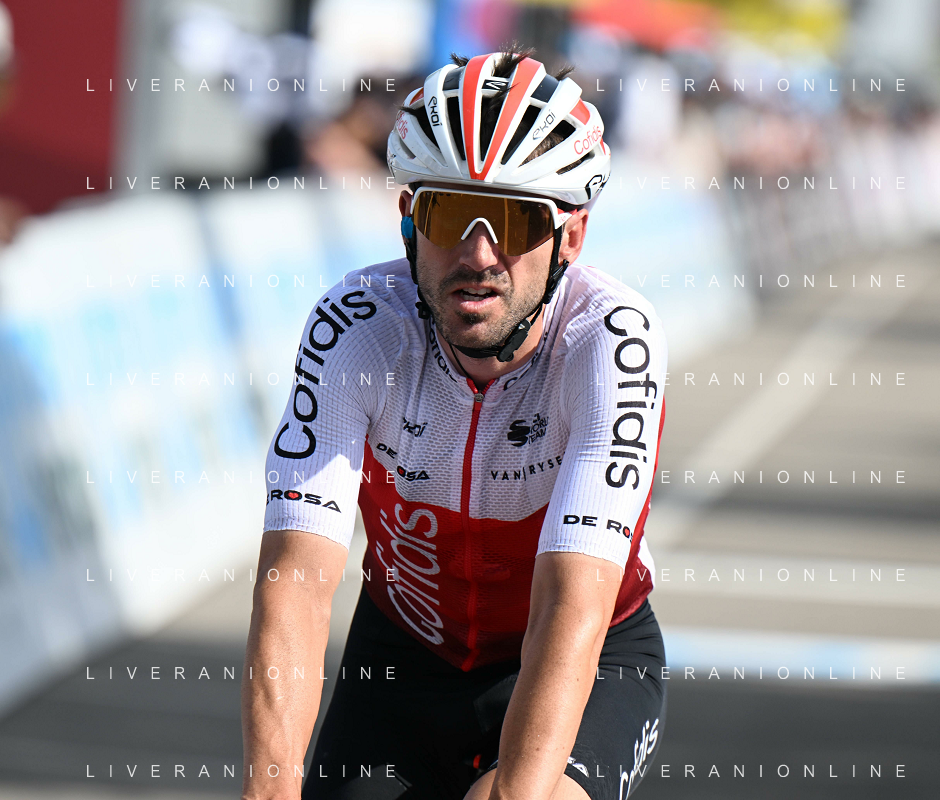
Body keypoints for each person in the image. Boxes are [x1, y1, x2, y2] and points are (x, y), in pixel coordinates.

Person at [242, 45, 668, 800]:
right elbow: (296, 581)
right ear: (410, 221)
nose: (478, 254)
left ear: (570, 237)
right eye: (447, 213)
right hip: (404, 654)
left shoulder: (610, 343)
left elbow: (571, 598)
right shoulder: (356, 330)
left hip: (582, 650)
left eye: (513, 218)